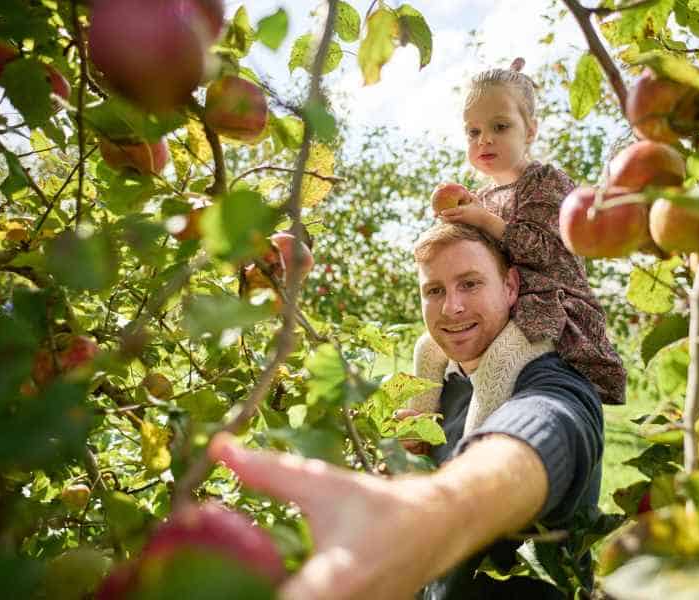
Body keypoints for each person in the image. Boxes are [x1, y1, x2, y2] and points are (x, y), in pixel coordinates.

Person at [209, 222, 604, 599]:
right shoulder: (439, 390)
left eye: (470, 283)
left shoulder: (553, 379)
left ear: (510, 286)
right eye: (434, 291)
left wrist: (434, 508)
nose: (452, 307)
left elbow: (547, 429)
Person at [411, 58, 626, 415]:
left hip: (548, 309)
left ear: (530, 131)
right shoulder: (481, 197)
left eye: (501, 126)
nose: (486, 139)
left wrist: (484, 220)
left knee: (500, 361)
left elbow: (546, 252)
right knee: (427, 348)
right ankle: (419, 431)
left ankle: (475, 448)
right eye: (473, 131)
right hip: (502, 307)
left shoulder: (546, 183)